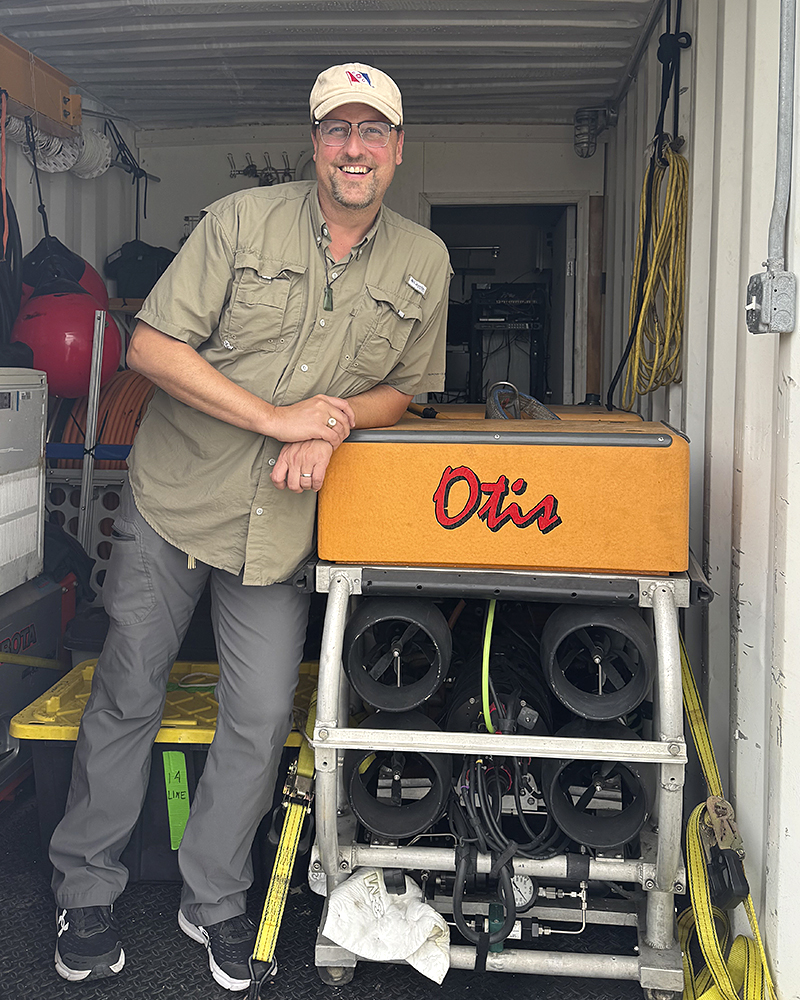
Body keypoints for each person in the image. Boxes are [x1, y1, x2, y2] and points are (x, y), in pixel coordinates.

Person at [48, 62, 451, 990]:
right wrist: (277, 420)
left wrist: (338, 421)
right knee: (128, 689)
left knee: (265, 713)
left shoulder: (423, 261)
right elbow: (148, 345)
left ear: (396, 147)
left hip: (282, 528)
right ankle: (86, 886)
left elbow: (407, 389)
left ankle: (214, 899)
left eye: (374, 132)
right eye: (338, 131)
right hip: (177, 497)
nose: (356, 148)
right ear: (316, 143)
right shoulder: (241, 223)